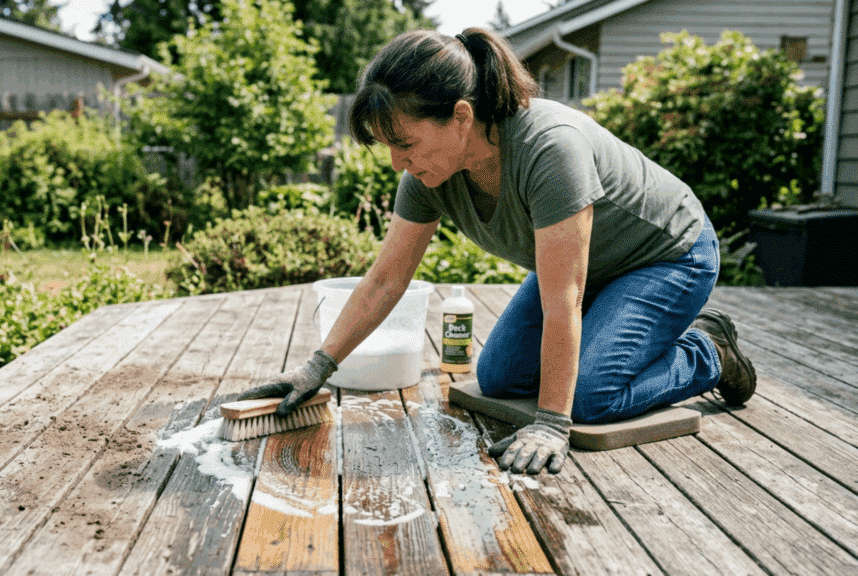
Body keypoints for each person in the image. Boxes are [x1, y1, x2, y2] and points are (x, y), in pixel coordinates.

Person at [237, 27, 756, 475]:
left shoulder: (550, 148)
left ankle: (708, 350)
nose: (397, 162)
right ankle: (635, 345)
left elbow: (564, 300)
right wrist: (319, 366)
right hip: (592, 268)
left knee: (590, 399)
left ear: (461, 117)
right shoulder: (427, 174)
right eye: (388, 147)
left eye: (406, 143)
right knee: (501, 377)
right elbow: (384, 280)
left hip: (667, 257)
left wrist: (553, 424)